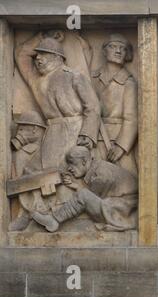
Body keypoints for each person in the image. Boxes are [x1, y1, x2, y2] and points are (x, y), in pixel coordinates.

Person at [14, 31, 101, 210]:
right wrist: (43, 36)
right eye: (36, 55)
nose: (37, 58)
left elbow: (92, 107)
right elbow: (21, 53)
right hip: (53, 131)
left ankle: (62, 213)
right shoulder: (36, 79)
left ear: (56, 57)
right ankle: (37, 212)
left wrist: (87, 134)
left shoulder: (73, 76)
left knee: (68, 174)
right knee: (33, 172)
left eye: (42, 54)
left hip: (76, 130)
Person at [30, 146, 138, 232]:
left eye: (72, 163)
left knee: (83, 195)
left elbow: (89, 198)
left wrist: (76, 186)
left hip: (121, 212)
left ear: (84, 161)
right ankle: (53, 217)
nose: (69, 168)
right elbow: (92, 197)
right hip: (118, 207)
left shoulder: (101, 175)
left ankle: (53, 220)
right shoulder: (99, 168)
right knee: (83, 195)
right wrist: (74, 185)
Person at [91, 34, 138, 175]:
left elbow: (132, 118)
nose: (118, 51)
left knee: (125, 182)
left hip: (117, 140)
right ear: (104, 51)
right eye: (113, 46)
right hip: (95, 138)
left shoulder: (128, 82)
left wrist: (121, 146)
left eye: (122, 48)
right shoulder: (92, 77)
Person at [8, 111, 47, 231]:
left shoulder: (46, 147)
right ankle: (25, 216)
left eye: (22, 129)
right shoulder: (21, 153)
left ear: (34, 129)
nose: (18, 133)